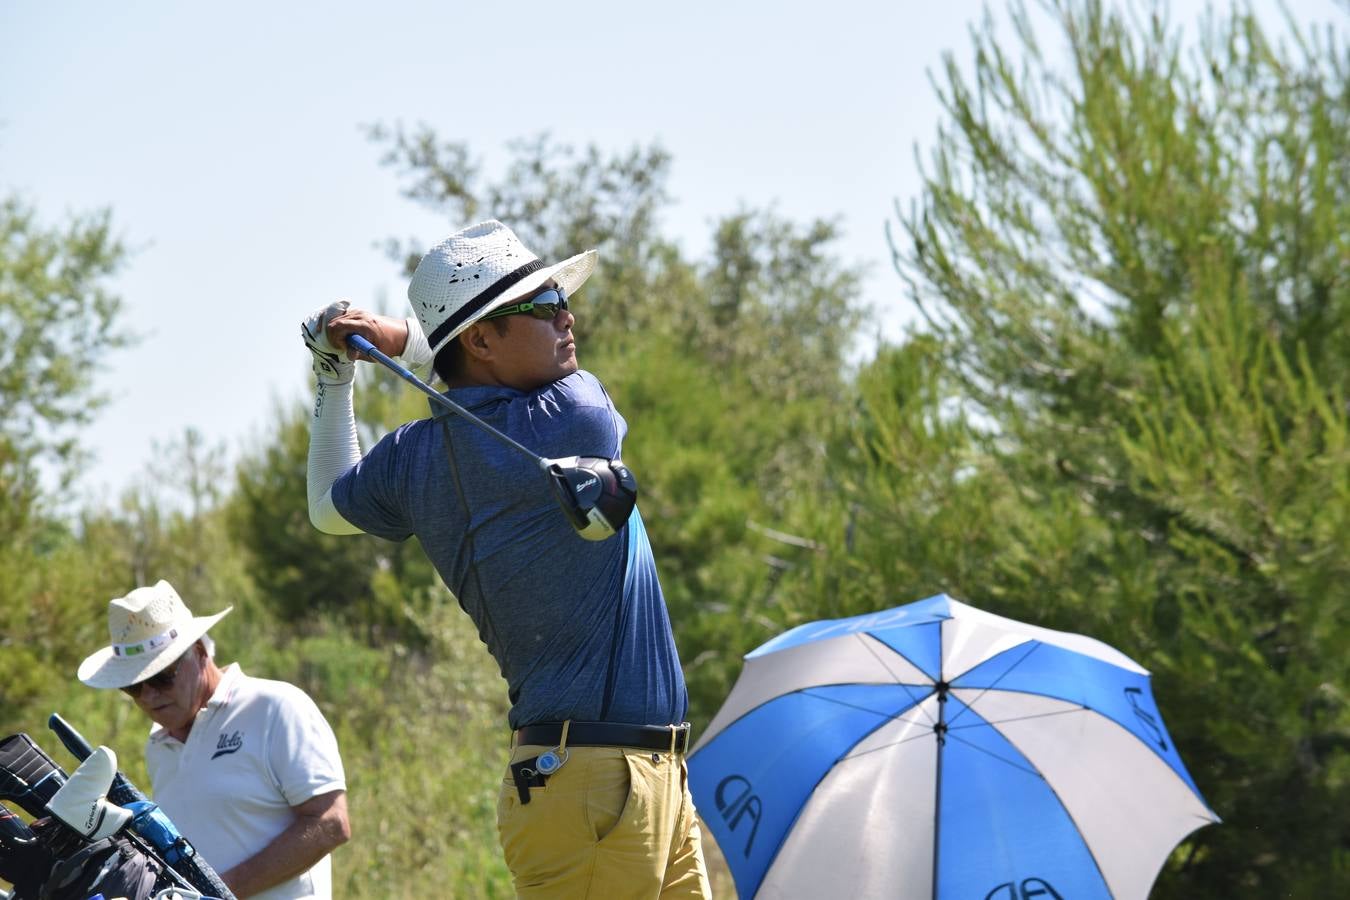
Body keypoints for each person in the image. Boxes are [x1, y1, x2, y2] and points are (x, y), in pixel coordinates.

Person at [301, 219, 711, 898]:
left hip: (635, 775)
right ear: (482, 340)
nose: (567, 317)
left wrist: (333, 378)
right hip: (592, 783)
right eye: (543, 306)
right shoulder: (575, 416)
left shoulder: (411, 458)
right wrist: (401, 339)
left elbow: (324, 506)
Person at [76, 580, 350, 900]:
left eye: (161, 677)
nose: (149, 695)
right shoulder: (158, 745)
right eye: (133, 686)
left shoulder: (276, 707)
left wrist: (218, 891)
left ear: (199, 652)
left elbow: (331, 822)